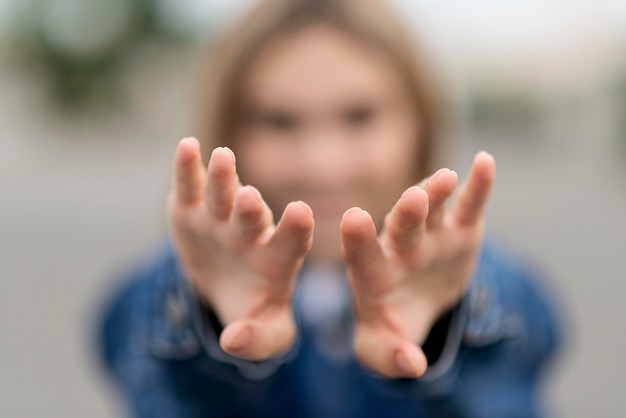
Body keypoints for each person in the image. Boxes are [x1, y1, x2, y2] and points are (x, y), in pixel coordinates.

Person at [97, 0, 561, 416]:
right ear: (228, 129)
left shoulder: (502, 292)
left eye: (359, 115)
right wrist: (209, 319)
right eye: (279, 121)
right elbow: (140, 342)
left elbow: (513, 354)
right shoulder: (155, 297)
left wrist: (445, 321)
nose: (322, 164)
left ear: (420, 122)